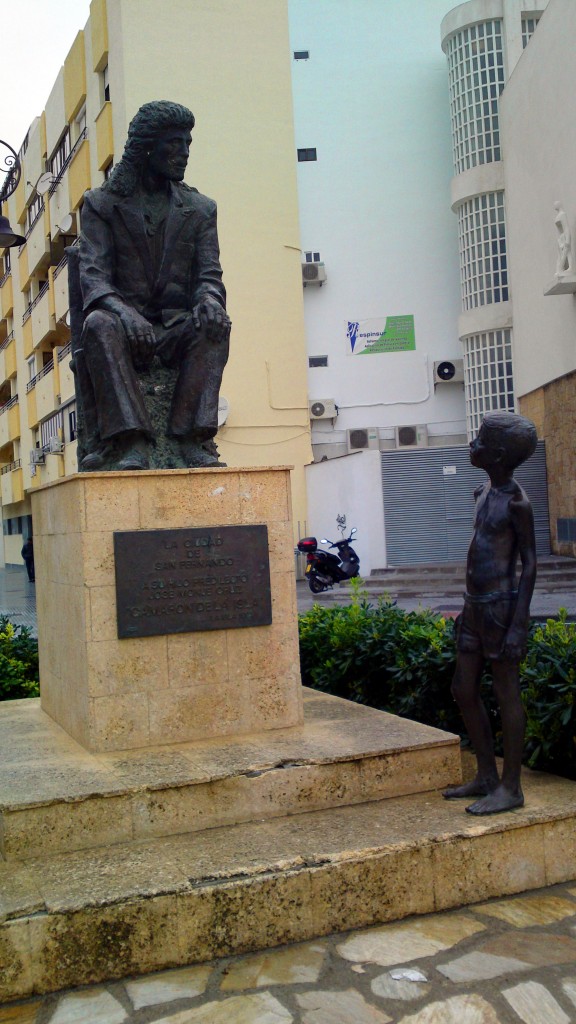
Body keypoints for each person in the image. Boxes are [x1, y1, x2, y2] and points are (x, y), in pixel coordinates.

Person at [76, 100, 231, 471]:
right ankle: (131, 441)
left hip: (175, 327)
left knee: (215, 325)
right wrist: (126, 314)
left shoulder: (201, 208)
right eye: (174, 144)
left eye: (188, 144)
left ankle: (191, 439)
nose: (184, 153)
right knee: (98, 324)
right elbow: (93, 275)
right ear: (146, 147)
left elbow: (209, 275)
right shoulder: (102, 204)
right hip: (124, 328)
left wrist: (210, 300)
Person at [443, 411, 537, 815]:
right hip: (474, 606)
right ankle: (485, 774)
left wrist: (518, 624)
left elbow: (530, 564)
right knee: (463, 689)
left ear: (496, 454)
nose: (472, 444)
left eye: (478, 439)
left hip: (501, 609)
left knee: (506, 692)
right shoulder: (482, 491)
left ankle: (511, 787)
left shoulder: (517, 501)